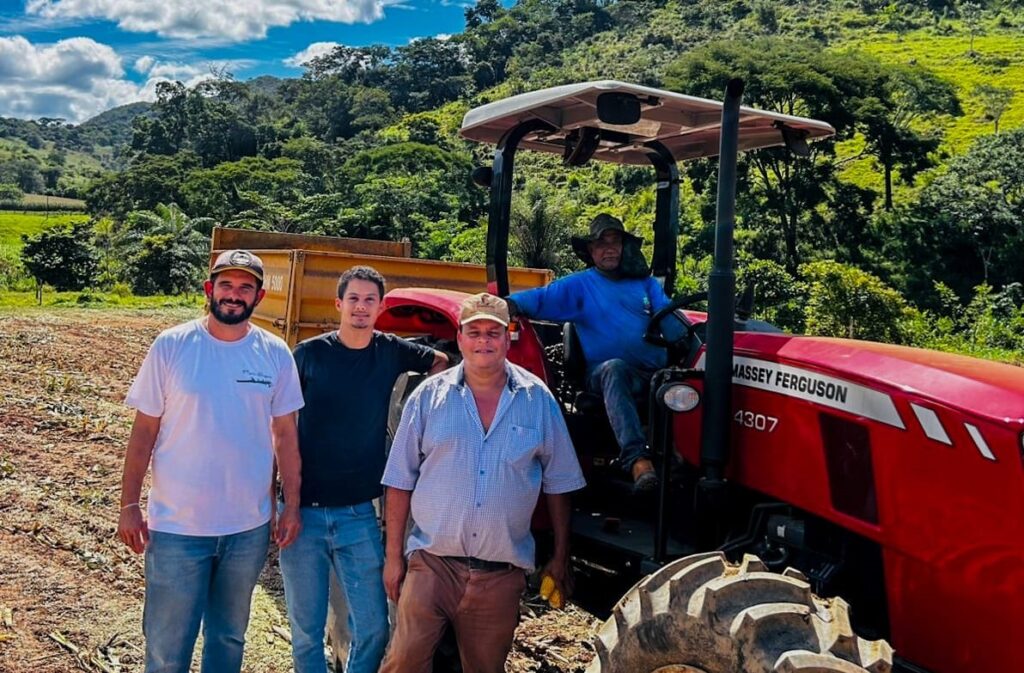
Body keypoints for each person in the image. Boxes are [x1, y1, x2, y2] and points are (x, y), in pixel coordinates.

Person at [116, 249, 305, 673]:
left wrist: (290, 505)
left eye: (244, 288)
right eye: (226, 285)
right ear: (209, 290)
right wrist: (129, 505)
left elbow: (286, 437)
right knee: (167, 648)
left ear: (259, 297)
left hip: (247, 530)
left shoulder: (275, 354)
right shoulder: (172, 346)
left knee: (228, 638)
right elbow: (143, 432)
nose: (234, 295)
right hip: (177, 530)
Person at [378, 292, 585, 673]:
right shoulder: (428, 396)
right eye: (475, 332)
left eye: (494, 332)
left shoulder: (537, 399)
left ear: (508, 339)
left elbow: (559, 482)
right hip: (432, 564)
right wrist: (393, 558)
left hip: (499, 575)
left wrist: (559, 555)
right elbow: (399, 480)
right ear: (459, 338)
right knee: (403, 662)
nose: (484, 341)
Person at [279, 265, 448, 673]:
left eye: (369, 300)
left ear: (380, 307)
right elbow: (281, 428)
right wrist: (283, 502)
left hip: (359, 513)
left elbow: (441, 361)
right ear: (339, 304)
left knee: (373, 625)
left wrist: (420, 418)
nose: (360, 307)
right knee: (305, 627)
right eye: (353, 299)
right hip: (305, 515)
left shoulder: (390, 350)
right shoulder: (309, 355)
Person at [506, 213, 670, 492]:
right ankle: (637, 459)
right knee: (614, 368)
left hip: (649, 374)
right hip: (601, 374)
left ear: (623, 247)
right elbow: (541, 298)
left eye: (615, 241)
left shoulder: (646, 284)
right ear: (591, 251)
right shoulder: (581, 285)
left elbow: (671, 319)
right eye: (601, 243)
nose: (609, 248)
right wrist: (508, 304)